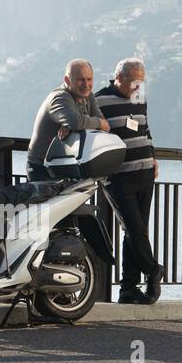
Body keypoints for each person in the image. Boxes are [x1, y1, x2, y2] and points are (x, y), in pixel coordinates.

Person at [94, 58, 164, 304]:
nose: (137, 87)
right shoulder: (98, 100)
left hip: (145, 172)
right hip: (118, 177)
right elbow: (88, 130)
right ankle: (154, 270)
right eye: (134, 82)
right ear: (118, 77)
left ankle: (128, 289)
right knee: (134, 229)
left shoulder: (139, 98)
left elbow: (146, 130)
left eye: (141, 83)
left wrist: (153, 157)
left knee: (136, 232)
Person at [26, 59, 109, 182]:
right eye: (80, 79)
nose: (86, 84)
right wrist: (79, 124)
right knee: (46, 202)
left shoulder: (88, 95)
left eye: (89, 79)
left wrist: (73, 128)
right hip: (42, 168)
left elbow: (105, 126)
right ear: (67, 80)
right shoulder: (59, 98)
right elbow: (78, 122)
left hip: (64, 165)